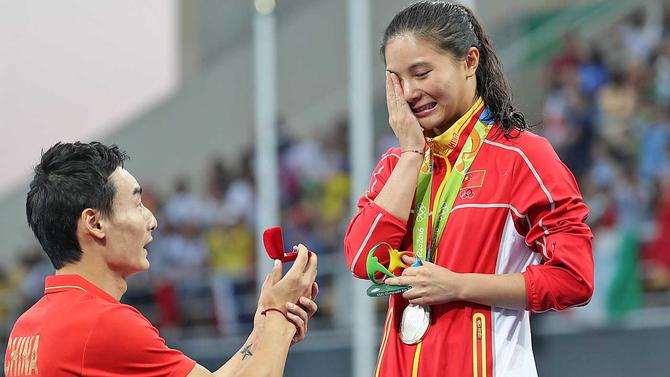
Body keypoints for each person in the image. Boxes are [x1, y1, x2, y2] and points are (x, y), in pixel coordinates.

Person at [343, 2, 594, 377]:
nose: (411, 92)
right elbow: (364, 260)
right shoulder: (397, 167)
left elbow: (575, 278)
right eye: (398, 80)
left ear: (469, 62)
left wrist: (458, 286)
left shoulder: (522, 157)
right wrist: (412, 153)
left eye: (422, 72)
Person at [4, 141, 318, 377]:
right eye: (137, 205)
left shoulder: (25, 328)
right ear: (95, 223)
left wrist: (263, 331)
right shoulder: (103, 325)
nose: (152, 220)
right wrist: (281, 317)